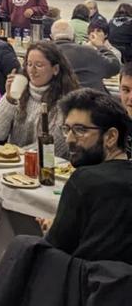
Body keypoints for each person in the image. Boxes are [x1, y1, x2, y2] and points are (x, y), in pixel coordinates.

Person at [42, 89, 132, 265]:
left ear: (111, 137)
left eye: (80, 130)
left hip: (87, 286)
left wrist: (51, 231)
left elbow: (54, 251)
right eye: (66, 129)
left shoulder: (83, 181)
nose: (69, 139)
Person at [0, 41, 78, 158]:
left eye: (39, 65)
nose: (32, 71)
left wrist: (16, 154)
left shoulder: (66, 101)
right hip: (13, 163)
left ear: (55, 69)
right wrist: (9, 99)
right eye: (29, 64)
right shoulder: (21, 92)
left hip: (48, 166)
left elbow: (53, 147)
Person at [50, 20, 120, 92]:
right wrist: (101, 46)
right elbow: (114, 67)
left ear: (51, 37)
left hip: (59, 100)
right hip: (92, 99)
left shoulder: (46, 55)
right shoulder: (88, 51)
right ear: (74, 36)